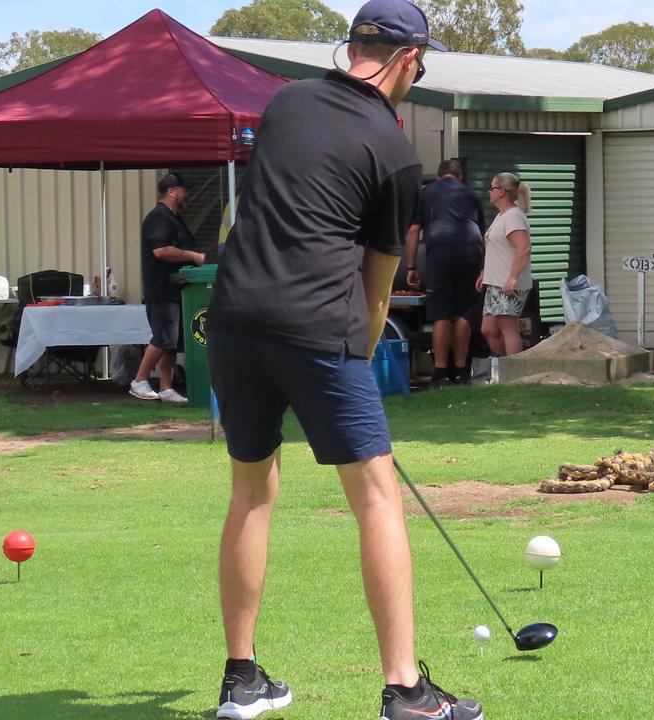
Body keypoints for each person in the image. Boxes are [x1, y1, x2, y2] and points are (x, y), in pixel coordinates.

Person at [204, 1, 484, 718]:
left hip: (233, 321)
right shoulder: (395, 152)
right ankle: (405, 691)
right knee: (377, 498)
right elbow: (379, 284)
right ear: (408, 59)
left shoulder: (286, 101)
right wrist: (355, 364)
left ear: (354, 45)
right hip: (318, 328)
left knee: (252, 492)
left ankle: (242, 679)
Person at [405, 159, 486, 385]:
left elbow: (413, 231)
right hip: (471, 254)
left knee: (441, 314)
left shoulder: (427, 193)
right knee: (463, 313)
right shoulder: (471, 195)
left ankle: (441, 373)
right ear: (459, 177)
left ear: (440, 176)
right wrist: (483, 269)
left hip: (441, 254)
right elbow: (482, 233)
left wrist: (411, 266)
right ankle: (460, 371)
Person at [131, 173, 206, 403]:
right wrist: (192, 256)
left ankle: (166, 388)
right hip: (162, 290)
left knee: (172, 343)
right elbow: (161, 251)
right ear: (172, 191)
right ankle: (139, 381)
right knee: (163, 338)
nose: (189, 196)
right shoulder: (158, 218)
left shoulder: (175, 218)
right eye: (185, 190)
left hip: (177, 290)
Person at [477, 172, 533, 356]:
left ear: (501, 192)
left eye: (491, 188)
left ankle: (512, 378)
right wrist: (485, 272)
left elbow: (523, 248)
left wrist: (512, 278)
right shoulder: (501, 216)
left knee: (507, 328)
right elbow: (499, 249)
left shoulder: (513, 217)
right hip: (496, 282)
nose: (489, 191)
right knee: (488, 329)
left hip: (508, 284)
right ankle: (505, 367)